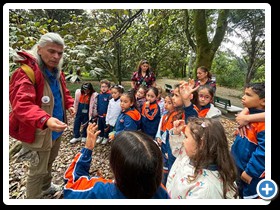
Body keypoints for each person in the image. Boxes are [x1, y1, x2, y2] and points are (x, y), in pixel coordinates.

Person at [9, 32, 75, 199]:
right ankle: (33, 198)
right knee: (37, 170)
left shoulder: (56, 71)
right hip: (40, 130)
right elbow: (22, 105)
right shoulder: (25, 73)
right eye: (51, 51)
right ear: (39, 49)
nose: (56, 56)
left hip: (56, 128)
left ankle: (46, 187)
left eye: (60, 53)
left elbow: (63, 92)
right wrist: (45, 119)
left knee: (50, 162)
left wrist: (69, 104)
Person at [63, 123, 170, 199]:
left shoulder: (99, 191)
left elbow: (71, 184)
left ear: (115, 166)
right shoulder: (162, 193)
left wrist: (87, 150)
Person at [166, 117, 239, 199]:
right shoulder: (193, 155)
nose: (183, 141)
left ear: (201, 144)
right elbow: (178, 151)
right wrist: (176, 134)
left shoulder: (205, 191)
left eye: (186, 137)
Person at [231, 83, 265, 199]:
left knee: (249, 196)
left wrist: (251, 172)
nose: (243, 97)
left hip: (251, 174)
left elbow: (264, 152)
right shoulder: (250, 115)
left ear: (263, 101)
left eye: (248, 95)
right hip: (238, 167)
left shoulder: (262, 125)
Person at [95, 79, 111, 144]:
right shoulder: (99, 95)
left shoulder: (109, 95)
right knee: (100, 126)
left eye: (105, 87)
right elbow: (97, 104)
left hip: (106, 115)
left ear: (108, 87)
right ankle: (100, 136)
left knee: (105, 126)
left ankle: (106, 137)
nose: (103, 88)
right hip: (100, 114)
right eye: (102, 87)